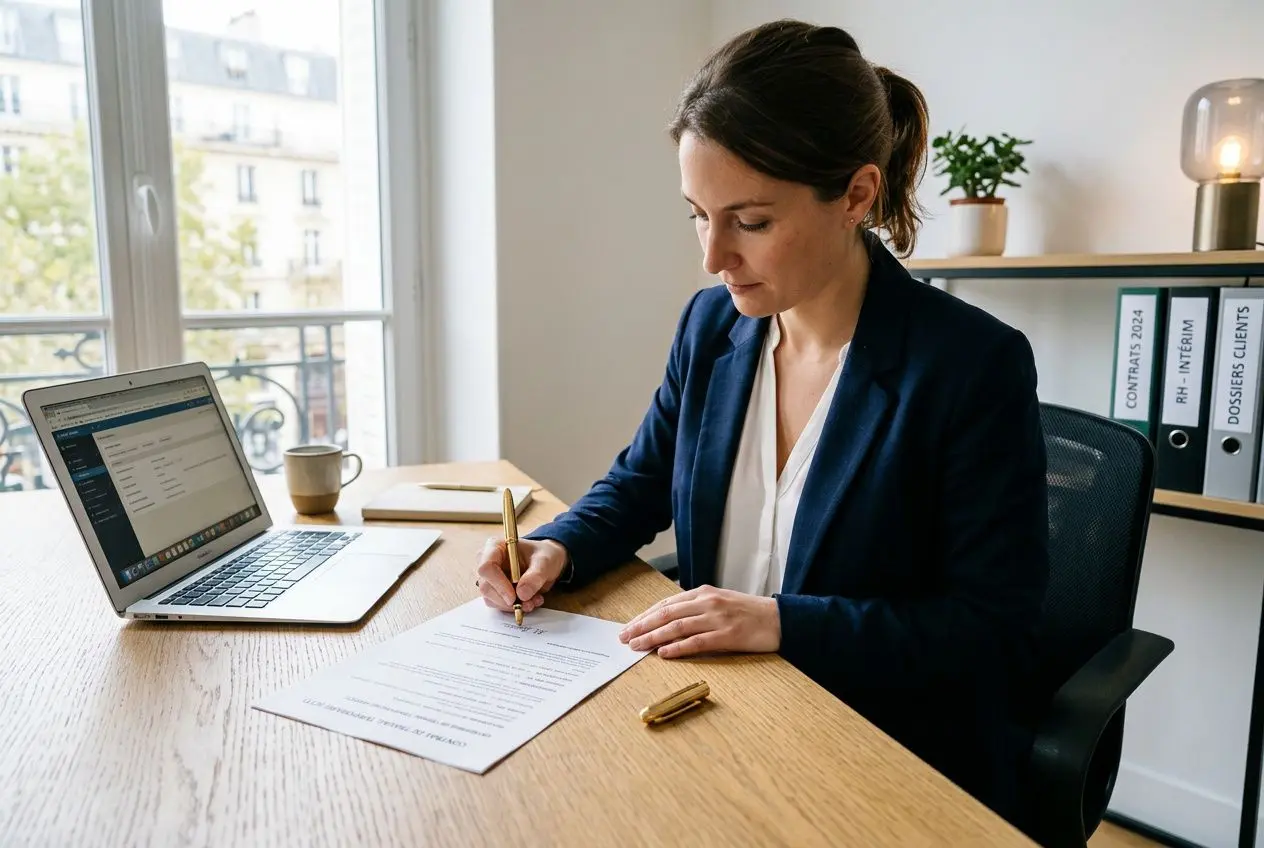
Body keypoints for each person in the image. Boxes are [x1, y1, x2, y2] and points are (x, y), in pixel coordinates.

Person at [473, 19, 1048, 821]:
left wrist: (783, 624)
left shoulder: (968, 366)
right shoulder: (712, 328)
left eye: (750, 222)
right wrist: (558, 547)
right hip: (720, 717)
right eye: (696, 215)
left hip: (878, 749)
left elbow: (994, 633)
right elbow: (642, 481)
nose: (713, 257)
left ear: (856, 194)